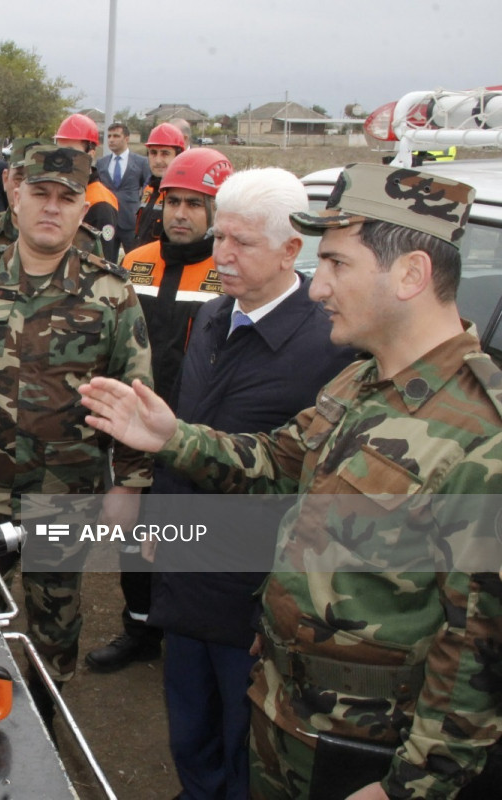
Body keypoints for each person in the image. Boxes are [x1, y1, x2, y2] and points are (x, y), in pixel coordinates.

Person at [79, 162, 502, 800]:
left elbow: (477, 650)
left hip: (364, 753)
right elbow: (280, 460)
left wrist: (411, 786)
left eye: (336, 264)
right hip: (286, 714)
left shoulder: (483, 435)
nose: (317, 287)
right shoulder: (361, 382)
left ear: (411, 274)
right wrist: (170, 437)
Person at [146, 168, 356, 800]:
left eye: (243, 243)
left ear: (293, 249)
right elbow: (182, 430)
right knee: (191, 722)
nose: (223, 255)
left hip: (256, 590)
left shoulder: (331, 347)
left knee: (248, 736)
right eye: (221, 237)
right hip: (187, 570)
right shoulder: (213, 315)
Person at [0, 144, 153, 708]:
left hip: (64, 496)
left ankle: (45, 719)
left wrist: (128, 485)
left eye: (66, 198)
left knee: (55, 623)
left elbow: (137, 397)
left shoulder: (111, 293)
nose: (52, 208)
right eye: (40, 194)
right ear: (17, 198)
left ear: (81, 210)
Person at [84, 147, 233, 675]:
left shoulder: (229, 270)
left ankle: (190, 636)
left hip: (199, 433)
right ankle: (140, 629)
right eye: (173, 201)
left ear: (216, 212)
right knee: (132, 533)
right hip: (136, 429)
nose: (181, 214)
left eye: (196, 204)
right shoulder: (134, 260)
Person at [0, 138, 104, 257]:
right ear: (5, 179)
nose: (24, 187)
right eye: (19, 177)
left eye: (39, 187)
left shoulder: (85, 240)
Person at [53, 113, 121, 263]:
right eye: (60, 151)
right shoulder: (58, 190)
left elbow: (105, 261)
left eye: (71, 152)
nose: (64, 158)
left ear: (90, 154)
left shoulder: (101, 202)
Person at [98, 122, 152, 254]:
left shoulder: (141, 162)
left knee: (132, 257)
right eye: (109, 136)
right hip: (108, 220)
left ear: (126, 139)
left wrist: (139, 203)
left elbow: (148, 184)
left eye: (116, 136)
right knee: (107, 261)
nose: (111, 140)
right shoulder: (101, 163)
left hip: (130, 219)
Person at [132, 122, 187, 248]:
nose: (157, 160)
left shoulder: (182, 195)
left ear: (178, 156)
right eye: (153, 153)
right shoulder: (149, 189)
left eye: (165, 153)